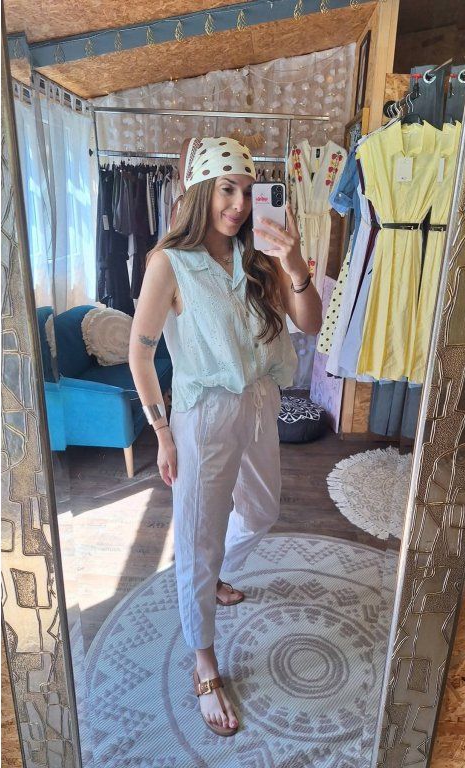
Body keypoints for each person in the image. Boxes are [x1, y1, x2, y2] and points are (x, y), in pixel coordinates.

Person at [128, 136, 322, 737]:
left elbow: (310, 323)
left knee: (260, 512)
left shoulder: (259, 256)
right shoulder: (169, 263)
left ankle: (209, 576)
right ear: (200, 193)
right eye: (226, 190)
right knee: (198, 533)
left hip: (261, 403)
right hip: (203, 414)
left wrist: (294, 263)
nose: (238, 204)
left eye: (247, 190)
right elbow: (141, 353)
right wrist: (161, 433)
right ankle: (204, 660)